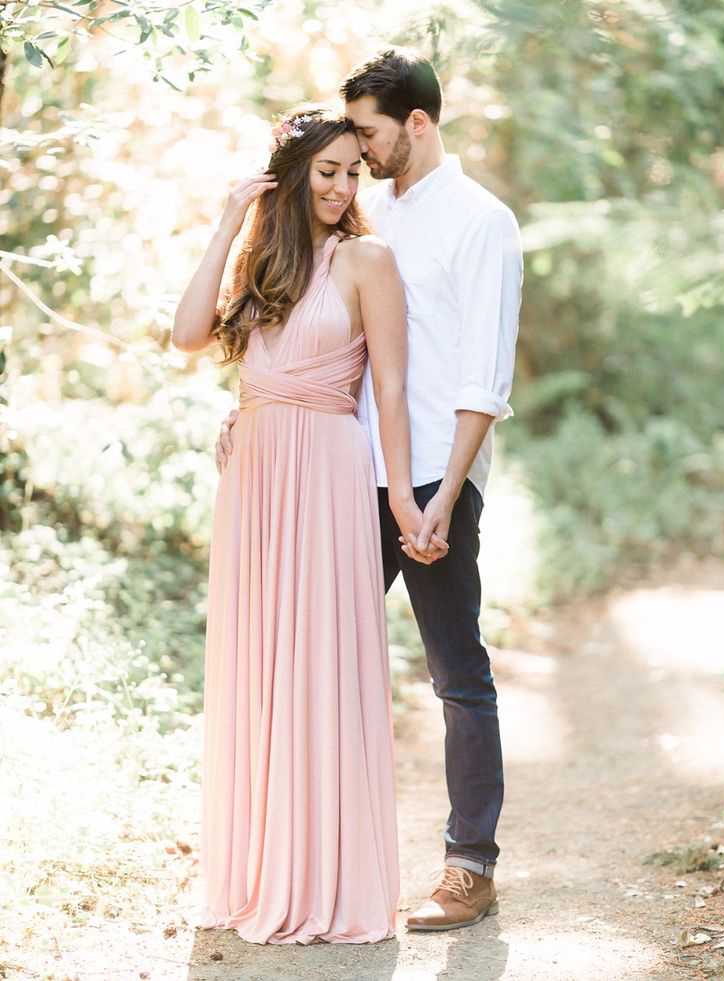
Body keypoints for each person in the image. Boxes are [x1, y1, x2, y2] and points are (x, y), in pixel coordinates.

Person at [218, 49, 523, 932]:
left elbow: (483, 378)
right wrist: (263, 408)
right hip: (342, 473)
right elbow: (310, 327)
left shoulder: (482, 220)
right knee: (311, 663)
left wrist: (445, 493)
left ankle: (470, 863)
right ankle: (300, 856)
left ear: (417, 125)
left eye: (374, 135)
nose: (361, 153)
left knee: (455, 670)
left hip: (431, 475)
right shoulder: (362, 204)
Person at [173, 106, 427, 944]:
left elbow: (388, 388)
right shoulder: (265, 258)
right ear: (293, 175)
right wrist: (226, 221)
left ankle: (325, 875)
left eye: (355, 171)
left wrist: (398, 497)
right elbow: (187, 336)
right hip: (253, 477)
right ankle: (257, 869)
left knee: (317, 662)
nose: (344, 186)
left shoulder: (367, 258)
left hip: (325, 470)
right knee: (258, 667)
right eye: (328, 170)